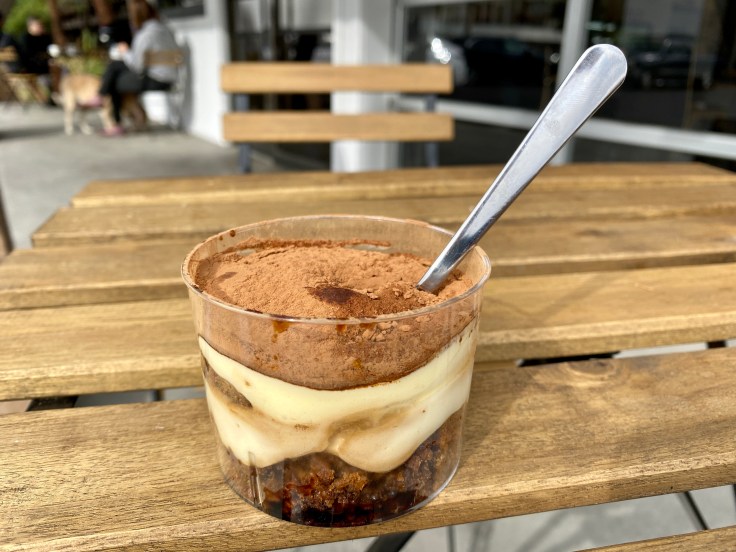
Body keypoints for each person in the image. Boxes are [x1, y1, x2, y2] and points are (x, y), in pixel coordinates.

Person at [97, 0, 178, 136]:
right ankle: (137, 118)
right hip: (170, 76)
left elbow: (137, 66)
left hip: (156, 79)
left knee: (115, 81)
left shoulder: (145, 34)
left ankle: (113, 118)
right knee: (117, 70)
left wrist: (125, 52)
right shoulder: (165, 29)